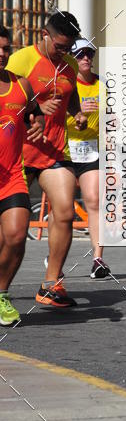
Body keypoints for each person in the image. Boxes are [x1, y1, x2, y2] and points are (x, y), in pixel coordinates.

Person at [6, 11, 87, 308]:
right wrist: (37, 106)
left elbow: (71, 93)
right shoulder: (21, 60)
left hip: (53, 151)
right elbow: (6, 98)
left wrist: (75, 113)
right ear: (45, 34)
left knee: (65, 211)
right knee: (10, 226)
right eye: (60, 46)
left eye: (69, 47)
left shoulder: (69, 64)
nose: (65, 52)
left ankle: (51, 284)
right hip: (15, 153)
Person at [0, 26, 45, 325]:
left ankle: (1, 295)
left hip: (13, 175)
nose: (2, 53)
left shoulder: (22, 85)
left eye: (6, 48)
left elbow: (35, 110)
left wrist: (38, 122)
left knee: (17, 235)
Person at [65, 38, 110, 279]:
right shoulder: (66, 84)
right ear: (72, 57)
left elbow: (113, 119)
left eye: (89, 54)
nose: (86, 58)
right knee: (63, 208)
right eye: (80, 54)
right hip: (65, 150)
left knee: (94, 202)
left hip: (92, 150)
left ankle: (98, 259)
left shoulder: (102, 85)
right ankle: (56, 259)